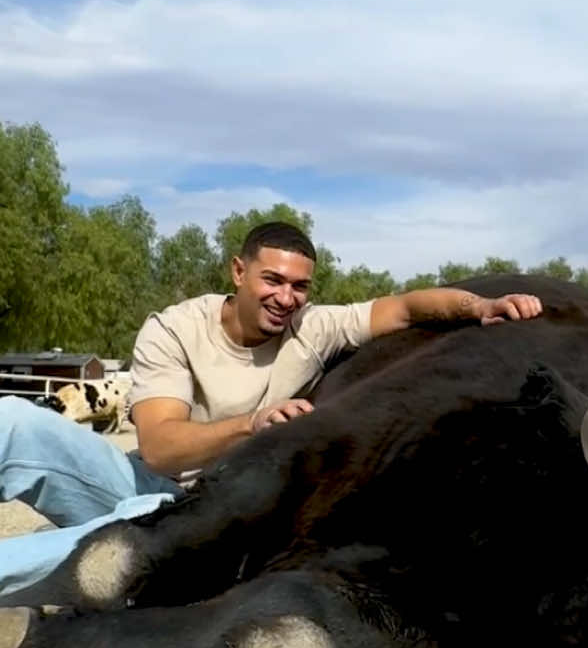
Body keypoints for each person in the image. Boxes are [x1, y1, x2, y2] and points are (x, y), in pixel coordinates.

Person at [0, 221, 542, 597]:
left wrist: (479, 306)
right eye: (273, 280)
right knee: (13, 420)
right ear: (239, 272)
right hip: (150, 482)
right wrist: (250, 426)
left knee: (134, 521)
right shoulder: (174, 328)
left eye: (300, 286)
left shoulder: (314, 327)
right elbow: (162, 448)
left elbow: (403, 307)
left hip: (226, 510)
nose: (287, 297)